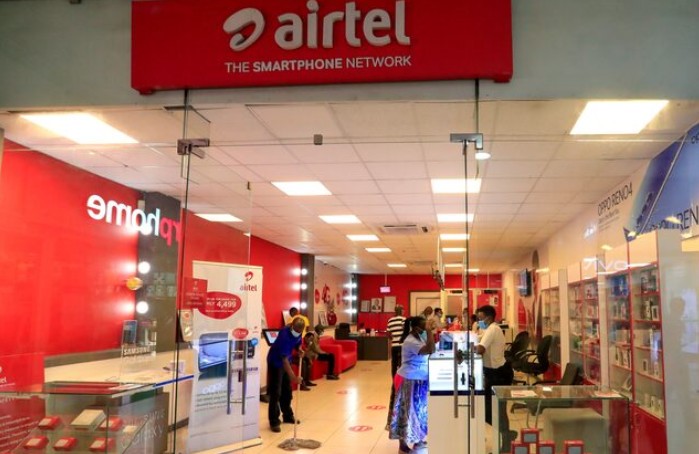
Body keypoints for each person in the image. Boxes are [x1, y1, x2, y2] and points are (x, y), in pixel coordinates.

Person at [389, 316, 435, 453]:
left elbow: (431, 347)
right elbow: (430, 349)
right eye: (423, 327)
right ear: (416, 328)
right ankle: (402, 445)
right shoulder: (410, 341)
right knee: (404, 412)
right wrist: (429, 331)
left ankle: (418, 439)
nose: (425, 330)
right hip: (408, 379)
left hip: (418, 379)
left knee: (419, 411)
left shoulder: (418, 338)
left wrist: (428, 332)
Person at [475, 305, 516, 451]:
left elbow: (480, 349)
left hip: (499, 374)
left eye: (480, 319)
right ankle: (506, 435)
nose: (479, 321)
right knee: (490, 409)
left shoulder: (492, 329)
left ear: (489, 317)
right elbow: (480, 342)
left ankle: (506, 438)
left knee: (496, 409)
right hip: (493, 373)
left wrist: (466, 346)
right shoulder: (489, 329)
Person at [266, 318, 304, 432]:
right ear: (292, 326)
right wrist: (293, 377)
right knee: (276, 392)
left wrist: (299, 350)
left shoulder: (298, 332)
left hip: (287, 361)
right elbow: (284, 360)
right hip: (275, 363)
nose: (297, 332)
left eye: (299, 331)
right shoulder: (284, 335)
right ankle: (274, 421)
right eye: (296, 330)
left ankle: (287, 416)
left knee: (287, 390)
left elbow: (298, 343)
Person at [386, 305, 406, 428]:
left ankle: (394, 378)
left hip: (394, 345)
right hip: (402, 345)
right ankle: (401, 377)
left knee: (394, 365)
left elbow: (388, 334)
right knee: (402, 363)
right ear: (401, 311)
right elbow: (405, 332)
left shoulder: (390, 320)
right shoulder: (403, 319)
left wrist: (393, 338)